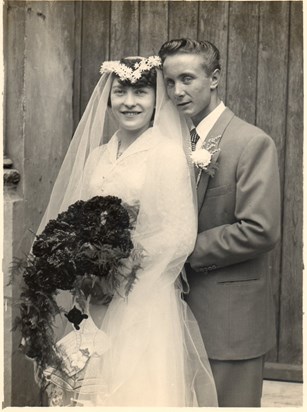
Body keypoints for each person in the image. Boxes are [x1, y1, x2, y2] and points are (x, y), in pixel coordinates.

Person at [33, 56, 218, 406]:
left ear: (156, 99)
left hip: (142, 298)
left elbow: (178, 235)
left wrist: (118, 276)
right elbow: (76, 220)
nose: (130, 102)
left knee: (134, 392)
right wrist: (82, 270)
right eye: (121, 91)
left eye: (141, 92)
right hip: (92, 297)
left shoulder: (164, 153)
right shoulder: (99, 155)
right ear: (108, 98)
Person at [159, 38, 281, 407]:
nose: (177, 91)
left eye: (187, 79)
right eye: (168, 82)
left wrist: (182, 250)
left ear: (214, 78)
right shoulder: (166, 143)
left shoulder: (251, 142)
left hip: (230, 321)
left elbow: (259, 229)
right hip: (169, 318)